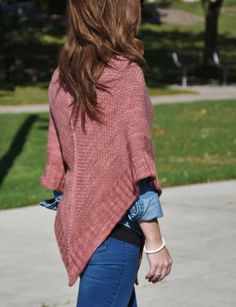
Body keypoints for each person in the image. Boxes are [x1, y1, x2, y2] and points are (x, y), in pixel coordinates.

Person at [39, 0, 173, 306]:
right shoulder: (125, 74)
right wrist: (155, 241)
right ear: (118, 12)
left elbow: (58, 149)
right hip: (117, 235)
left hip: (82, 221)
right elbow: (137, 163)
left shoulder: (63, 75)